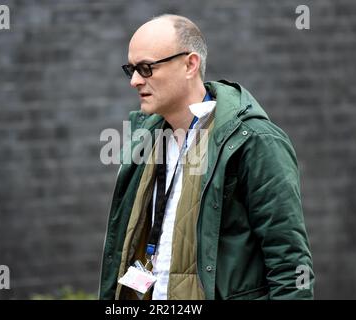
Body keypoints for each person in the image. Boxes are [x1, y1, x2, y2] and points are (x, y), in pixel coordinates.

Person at [99, 14, 314, 300]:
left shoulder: (254, 141)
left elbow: (290, 265)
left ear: (190, 64)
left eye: (146, 68)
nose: (135, 81)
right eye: (131, 70)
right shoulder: (146, 141)